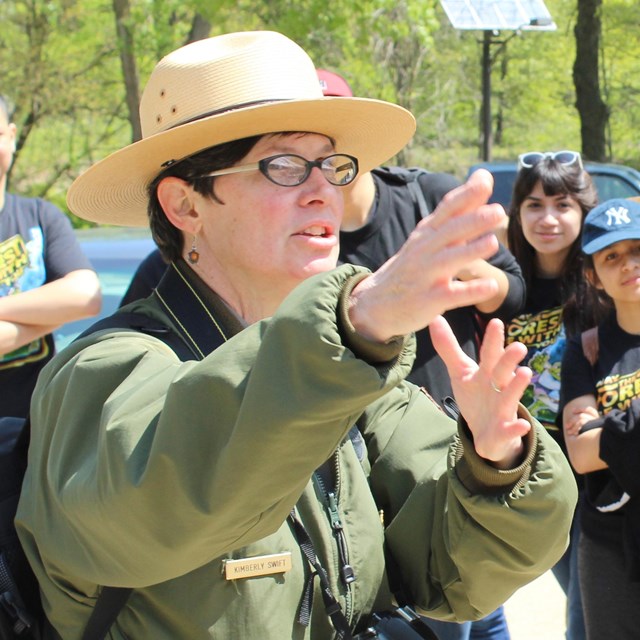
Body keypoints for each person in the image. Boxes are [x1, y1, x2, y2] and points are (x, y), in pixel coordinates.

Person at [16, 31, 577, 639]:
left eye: (332, 165)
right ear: (185, 205)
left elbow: (459, 574)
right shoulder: (106, 369)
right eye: (282, 165)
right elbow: (153, 507)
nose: (323, 191)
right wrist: (355, 322)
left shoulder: (350, 376)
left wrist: (498, 461)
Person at [318, 68, 523, 640]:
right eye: (301, 144)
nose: (326, 155)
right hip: (366, 460)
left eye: (337, 133)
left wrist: (435, 272)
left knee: (482, 602)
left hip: (455, 431)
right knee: (433, 601)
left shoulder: (422, 196)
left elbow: (513, 287)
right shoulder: (300, 232)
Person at [504, 150, 598, 640]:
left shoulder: (602, 279)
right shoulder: (501, 283)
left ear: (582, 211)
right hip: (527, 473)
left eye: (562, 205)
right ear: (517, 212)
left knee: (586, 616)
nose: (548, 218)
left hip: (591, 473)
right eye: (534, 204)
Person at [561, 197, 640, 640]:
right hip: (608, 540)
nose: (628, 263)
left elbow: (597, 440)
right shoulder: (585, 349)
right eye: (612, 256)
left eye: (637, 249)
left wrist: (610, 429)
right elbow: (582, 453)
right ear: (594, 276)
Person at [0, 94, 102, 418]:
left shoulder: (40, 216)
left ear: (12, 136)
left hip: (31, 438)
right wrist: (49, 316)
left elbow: (86, 297)